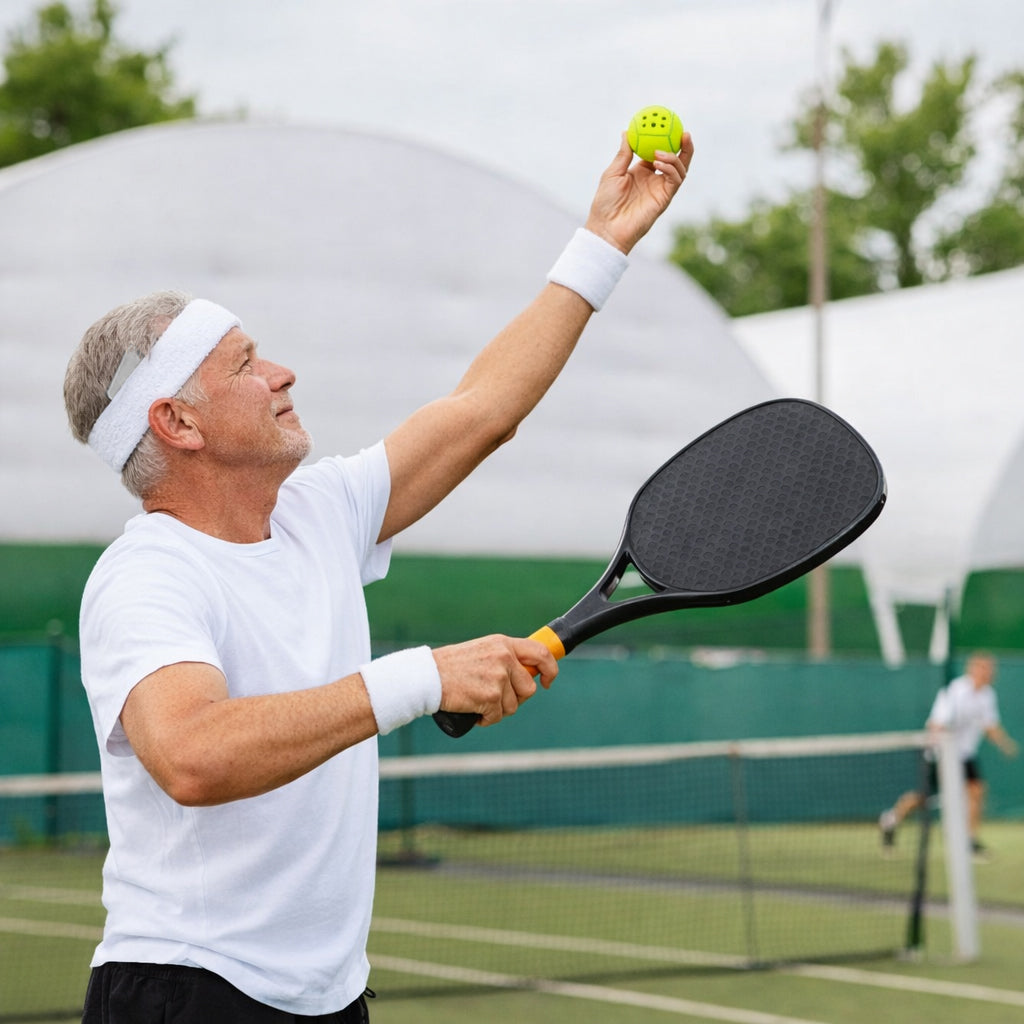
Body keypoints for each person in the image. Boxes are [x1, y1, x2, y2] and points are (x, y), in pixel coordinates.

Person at [62, 130, 694, 1022]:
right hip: (187, 992)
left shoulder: (318, 513)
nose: (283, 373)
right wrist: (423, 677)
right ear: (179, 424)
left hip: (332, 997)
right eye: (245, 364)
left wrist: (604, 242)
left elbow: (483, 410)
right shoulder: (146, 577)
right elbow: (193, 756)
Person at [879, 652, 1017, 859]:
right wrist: (939, 742)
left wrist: (1005, 744)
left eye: (990, 668)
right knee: (924, 799)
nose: (989, 672)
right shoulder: (955, 690)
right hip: (941, 753)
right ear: (973, 668)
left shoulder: (987, 695)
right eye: (984, 668)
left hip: (965, 754)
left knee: (977, 791)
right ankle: (890, 820)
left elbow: (990, 726)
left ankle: (969, 842)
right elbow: (935, 723)